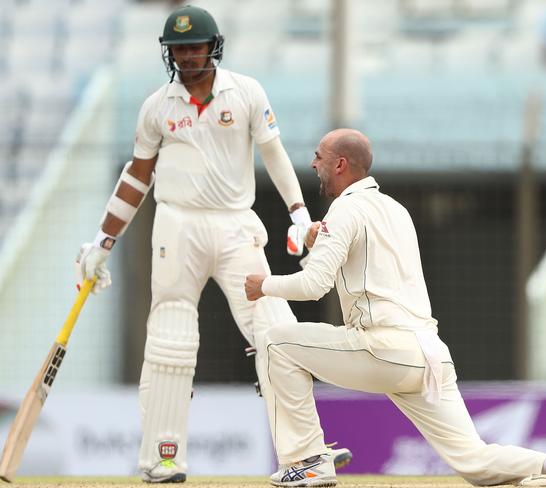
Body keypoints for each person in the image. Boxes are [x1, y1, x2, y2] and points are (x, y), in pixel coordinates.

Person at [244, 128, 546, 487]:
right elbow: (358, 266)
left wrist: (264, 286)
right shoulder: (395, 209)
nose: (313, 164)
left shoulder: (344, 211)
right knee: (474, 461)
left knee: (277, 342)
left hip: (383, 348)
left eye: (319, 157)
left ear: (340, 164)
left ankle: (307, 460)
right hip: (429, 354)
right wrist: (318, 241)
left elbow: (313, 286)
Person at [76, 5, 350, 483]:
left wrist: (300, 213)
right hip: (176, 228)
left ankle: (306, 454)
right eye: (177, 48)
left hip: (235, 226)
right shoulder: (157, 107)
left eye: (193, 46)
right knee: (170, 341)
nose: (185, 56)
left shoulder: (245, 93)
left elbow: (276, 155)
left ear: (213, 46)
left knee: (275, 331)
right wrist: (103, 241)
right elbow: (136, 178)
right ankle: (162, 459)